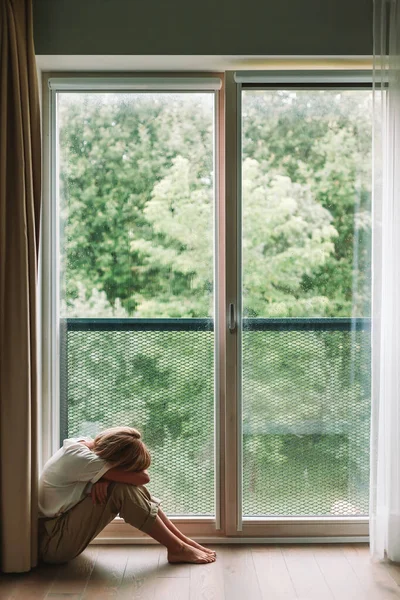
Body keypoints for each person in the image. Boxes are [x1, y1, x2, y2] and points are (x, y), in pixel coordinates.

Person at [38, 426, 216, 565]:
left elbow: (129, 477)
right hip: (54, 543)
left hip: (58, 532)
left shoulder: (82, 444)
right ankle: (177, 547)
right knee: (121, 489)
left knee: (123, 485)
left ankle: (182, 542)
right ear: (114, 461)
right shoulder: (85, 460)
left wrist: (106, 477)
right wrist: (110, 476)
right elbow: (143, 477)